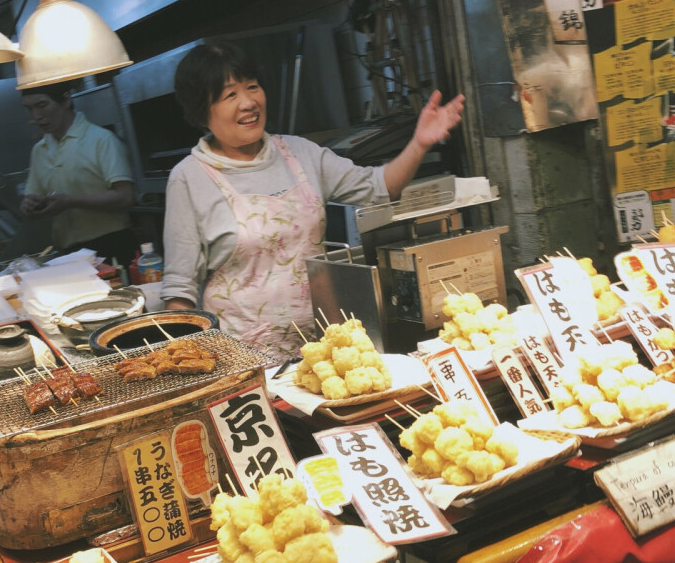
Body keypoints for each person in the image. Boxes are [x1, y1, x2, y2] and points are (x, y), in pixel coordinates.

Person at [161, 39, 464, 355]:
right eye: (229, 95)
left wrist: (419, 143)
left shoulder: (300, 153)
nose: (248, 102)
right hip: (241, 355)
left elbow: (379, 188)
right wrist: (180, 359)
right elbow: (179, 289)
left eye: (252, 87)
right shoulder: (189, 177)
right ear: (201, 111)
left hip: (321, 343)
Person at [20, 84, 137, 265]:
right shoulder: (39, 150)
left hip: (111, 245)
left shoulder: (101, 140)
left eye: (42, 105)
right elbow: (33, 200)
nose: (36, 116)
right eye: (29, 109)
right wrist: (30, 207)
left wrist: (71, 202)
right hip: (69, 253)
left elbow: (125, 197)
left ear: (66, 100)